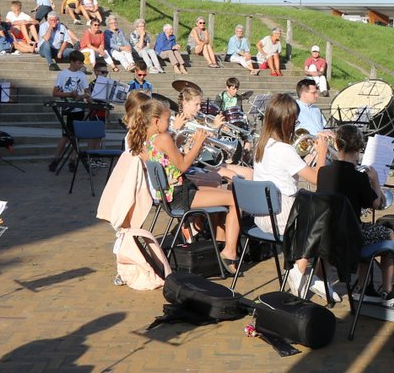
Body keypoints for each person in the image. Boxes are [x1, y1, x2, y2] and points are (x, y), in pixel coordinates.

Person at [251, 94, 335, 298]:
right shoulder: (284, 150)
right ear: (286, 121)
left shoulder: (262, 143)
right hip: (283, 215)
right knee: (329, 217)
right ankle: (302, 271)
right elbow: (317, 179)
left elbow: (287, 170)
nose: (297, 124)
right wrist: (322, 153)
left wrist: (310, 154)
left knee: (322, 213)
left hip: (263, 214)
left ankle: (313, 276)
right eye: (295, 120)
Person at [136, 97, 240, 262]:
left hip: (173, 194)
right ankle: (229, 252)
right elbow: (183, 166)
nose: (169, 124)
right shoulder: (163, 138)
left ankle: (218, 246)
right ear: (156, 121)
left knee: (219, 191)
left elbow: (173, 164)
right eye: (167, 120)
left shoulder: (148, 140)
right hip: (180, 195)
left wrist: (191, 146)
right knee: (236, 199)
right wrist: (198, 143)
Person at [316, 122, 394, 304]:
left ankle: (365, 287)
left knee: (365, 229)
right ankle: (387, 290)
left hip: (326, 233)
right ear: (360, 148)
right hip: (351, 236)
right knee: (388, 233)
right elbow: (377, 204)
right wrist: (375, 180)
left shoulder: (322, 172)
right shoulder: (359, 177)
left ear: (336, 144)